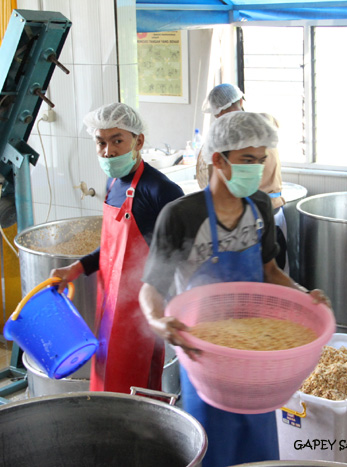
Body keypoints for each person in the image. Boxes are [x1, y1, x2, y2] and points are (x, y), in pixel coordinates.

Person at [139, 111, 331, 467]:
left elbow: (270, 270)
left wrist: (304, 294)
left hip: (258, 352)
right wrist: (157, 321)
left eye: (260, 161)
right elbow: (151, 288)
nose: (255, 171)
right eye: (246, 161)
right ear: (218, 159)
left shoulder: (259, 205)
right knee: (213, 447)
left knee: (260, 449)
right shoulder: (180, 215)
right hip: (204, 354)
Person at [50, 102, 184, 394]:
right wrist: (75, 269)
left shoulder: (162, 191)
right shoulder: (113, 182)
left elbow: (180, 256)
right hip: (110, 306)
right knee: (107, 379)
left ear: (139, 140)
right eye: (101, 142)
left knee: (136, 389)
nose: (108, 151)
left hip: (142, 313)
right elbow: (110, 249)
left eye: (117, 140)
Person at [196, 84, 287, 267]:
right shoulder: (263, 122)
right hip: (260, 211)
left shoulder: (248, 132)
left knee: (269, 271)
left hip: (264, 212)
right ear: (240, 100)